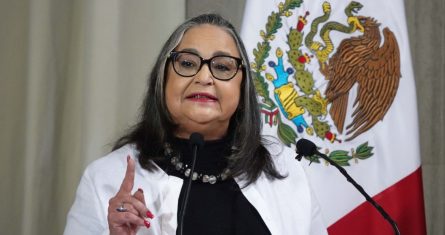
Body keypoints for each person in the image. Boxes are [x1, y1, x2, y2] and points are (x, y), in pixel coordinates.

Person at [64, 13, 327, 235]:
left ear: (242, 86)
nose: (204, 77)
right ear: (162, 79)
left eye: (222, 67)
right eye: (187, 63)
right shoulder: (106, 178)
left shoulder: (285, 170)